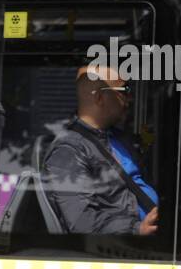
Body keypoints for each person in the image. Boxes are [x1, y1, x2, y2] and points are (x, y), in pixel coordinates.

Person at [42, 65, 160, 236]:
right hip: (127, 247)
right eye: (124, 90)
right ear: (99, 97)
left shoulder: (117, 137)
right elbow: (82, 221)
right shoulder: (67, 151)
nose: (130, 98)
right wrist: (137, 229)